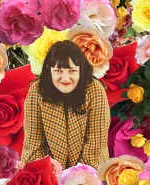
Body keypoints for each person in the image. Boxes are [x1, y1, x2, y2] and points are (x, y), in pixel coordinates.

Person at [21, 40, 110, 169]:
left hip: (89, 168)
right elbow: (33, 144)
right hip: (51, 167)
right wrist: (44, 169)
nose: (65, 78)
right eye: (58, 70)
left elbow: (95, 145)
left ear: (81, 70)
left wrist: (77, 175)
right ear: (49, 70)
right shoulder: (37, 90)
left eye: (72, 71)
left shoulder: (94, 90)